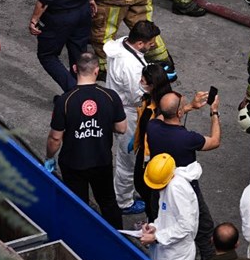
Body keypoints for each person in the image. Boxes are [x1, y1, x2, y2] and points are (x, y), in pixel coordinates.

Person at [46, 53, 126, 229]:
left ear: (75, 69)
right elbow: (121, 128)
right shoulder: (110, 96)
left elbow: (55, 137)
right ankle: (120, 238)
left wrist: (49, 157)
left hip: (73, 163)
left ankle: (79, 239)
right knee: (108, 202)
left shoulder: (65, 101)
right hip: (101, 160)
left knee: (77, 205)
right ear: (97, 71)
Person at [146, 90, 221, 260]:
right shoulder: (187, 138)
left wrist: (188, 107)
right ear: (179, 113)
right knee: (204, 229)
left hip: (159, 187)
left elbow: (163, 116)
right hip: (187, 190)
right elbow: (215, 141)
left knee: (161, 223)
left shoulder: (153, 127)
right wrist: (214, 112)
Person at [104, 20, 163, 216]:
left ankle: (124, 193)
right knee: (127, 157)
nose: (153, 45)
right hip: (128, 113)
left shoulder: (122, 44)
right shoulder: (131, 67)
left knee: (125, 155)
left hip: (115, 104)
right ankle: (123, 201)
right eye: (150, 42)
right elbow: (136, 95)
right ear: (139, 44)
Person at [139, 153, 201, 260]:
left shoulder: (176, 190)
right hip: (167, 252)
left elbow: (186, 226)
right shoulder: (169, 184)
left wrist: (157, 237)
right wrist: (154, 227)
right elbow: (167, 216)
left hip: (176, 258)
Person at [133, 63, 174, 222]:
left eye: (143, 81)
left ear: (152, 85)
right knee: (140, 184)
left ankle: (154, 222)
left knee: (151, 193)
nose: (140, 82)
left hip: (154, 157)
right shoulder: (148, 100)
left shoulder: (162, 110)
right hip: (143, 151)